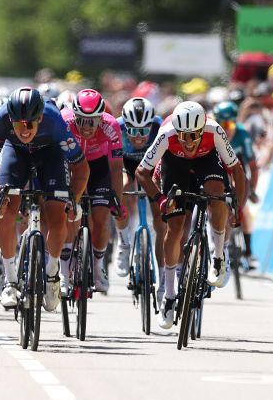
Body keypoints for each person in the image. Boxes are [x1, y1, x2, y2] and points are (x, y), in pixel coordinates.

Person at [136, 100, 247, 330]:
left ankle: (218, 256)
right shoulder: (167, 134)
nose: (189, 142)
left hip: (207, 160)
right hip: (174, 164)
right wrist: (160, 199)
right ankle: (168, 295)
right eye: (184, 136)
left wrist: (239, 207)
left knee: (217, 195)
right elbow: (142, 172)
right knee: (175, 227)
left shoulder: (214, 130)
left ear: (201, 129)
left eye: (193, 136)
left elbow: (236, 170)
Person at [0, 87, 90, 313]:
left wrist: (75, 200)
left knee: (57, 212)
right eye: (18, 123)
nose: (24, 129)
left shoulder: (55, 122)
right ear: (10, 118)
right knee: (6, 207)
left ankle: (52, 274)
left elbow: (81, 167)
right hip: (16, 154)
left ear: (40, 117)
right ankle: (10, 281)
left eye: (30, 123)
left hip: (50, 154)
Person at [60, 89, 127, 294]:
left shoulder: (111, 125)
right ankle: (64, 272)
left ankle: (98, 268)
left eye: (92, 121)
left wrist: (117, 199)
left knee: (101, 217)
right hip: (71, 164)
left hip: (98, 167)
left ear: (101, 117)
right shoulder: (64, 121)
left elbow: (116, 167)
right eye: (82, 120)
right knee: (69, 213)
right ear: (74, 116)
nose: (87, 127)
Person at [116, 96, 164, 282]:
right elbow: (113, 164)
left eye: (143, 131)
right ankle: (124, 239)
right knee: (125, 184)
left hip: (150, 164)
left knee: (160, 221)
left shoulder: (159, 127)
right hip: (126, 163)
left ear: (151, 126)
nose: (137, 136)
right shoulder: (117, 127)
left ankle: (163, 277)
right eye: (133, 130)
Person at [213, 101, 260, 268]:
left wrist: (252, 191)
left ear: (235, 121)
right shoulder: (212, 133)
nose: (225, 128)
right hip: (218, 174)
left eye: (229, 123)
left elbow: (253, 167)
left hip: (238, 175)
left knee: (244, 209)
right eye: (221, 124)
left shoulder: (242, 134)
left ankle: (248, 251)